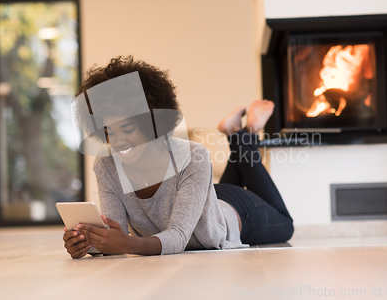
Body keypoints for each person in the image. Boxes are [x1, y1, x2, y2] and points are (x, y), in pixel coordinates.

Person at [63, 56, 293, 258]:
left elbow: (179, 236)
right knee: (207, 205)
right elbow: (117, 235)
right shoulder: (106, 166)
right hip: (200, 201)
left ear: (152, 123)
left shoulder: (192, 156)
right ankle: (236, 130)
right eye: (109, 131)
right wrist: (90, 244)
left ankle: (247, 131)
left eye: (128, 129)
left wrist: (127, 244)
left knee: (286, 224)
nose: (118, 141)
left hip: (235, 212)